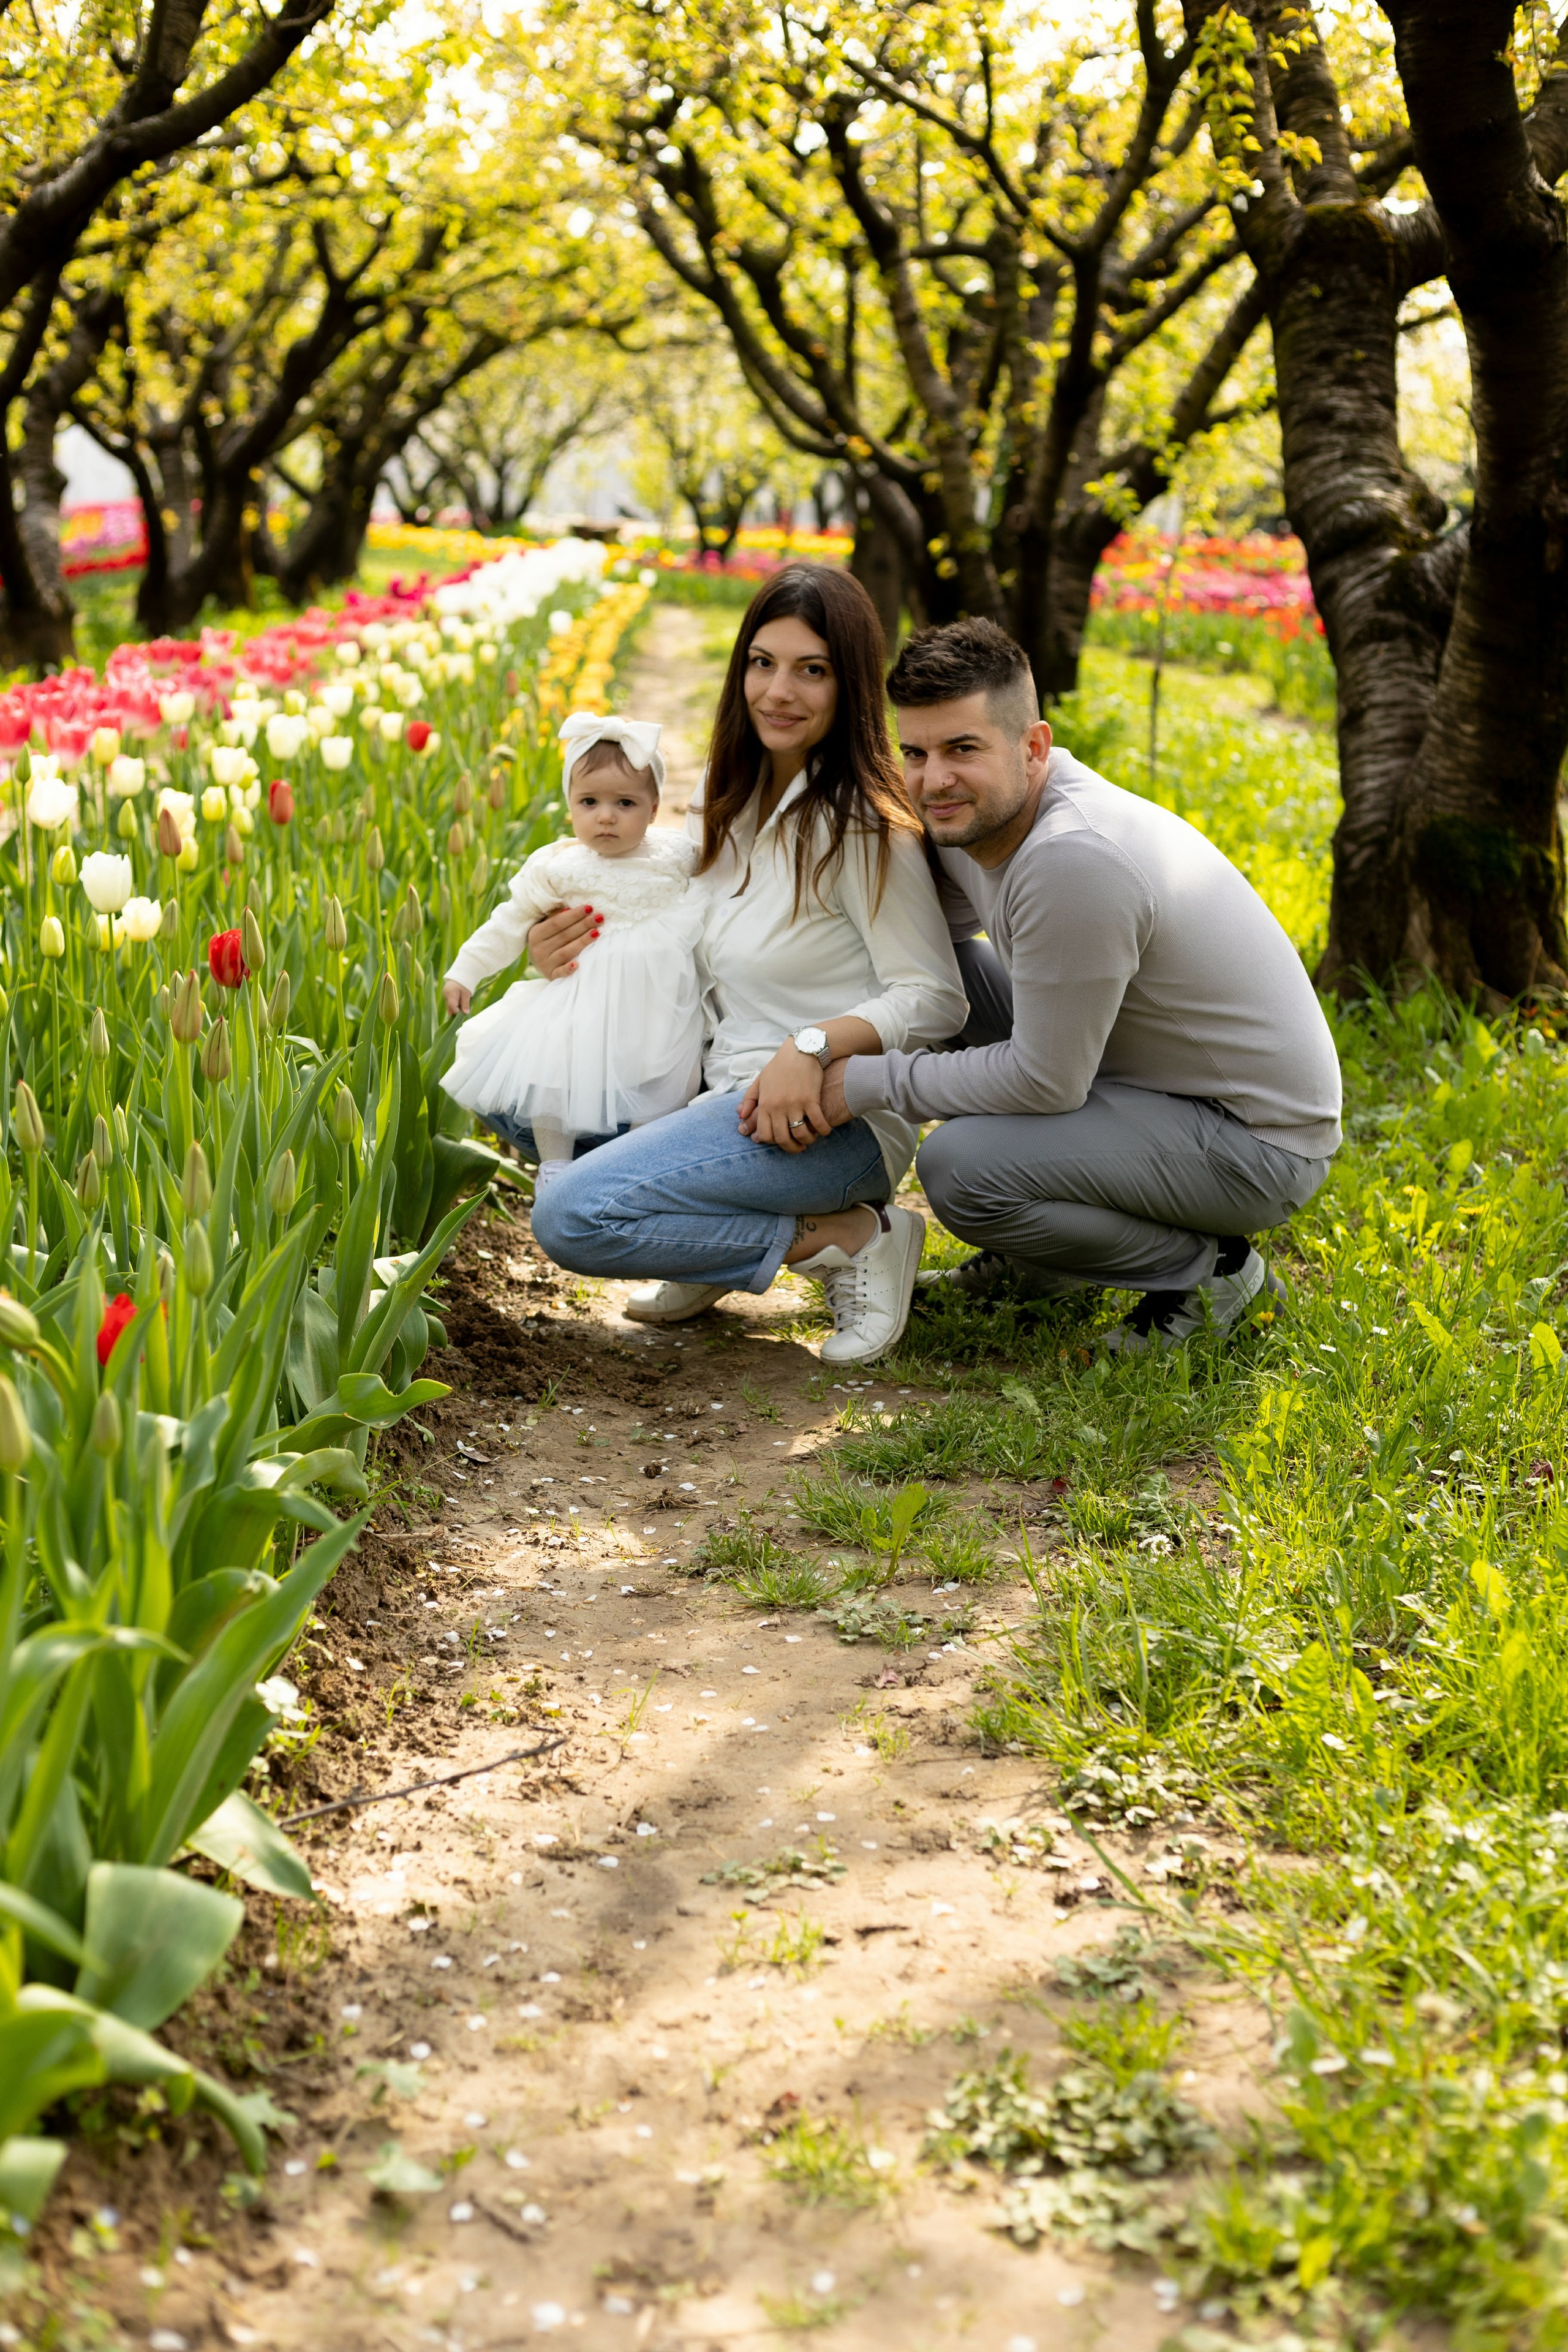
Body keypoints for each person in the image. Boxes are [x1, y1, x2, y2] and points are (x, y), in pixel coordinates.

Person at [813, 616, 1341, 1351]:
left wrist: (860, 1082)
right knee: (944, 968)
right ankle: (1047, 1255)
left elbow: (1043, 1085)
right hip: (1142, 1082)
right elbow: (887, 936)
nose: (933, 781)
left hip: (1254, 1141)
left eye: (962, 749)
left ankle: (1215, 1273)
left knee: (959, 1167)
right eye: (916, 751)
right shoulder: (974, 819)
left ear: (1033, 747)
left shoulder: (1073, 860)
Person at [525, 565, 968, 1363]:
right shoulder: (731, 812)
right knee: (522, 1088)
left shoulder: (867, 830)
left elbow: (935, 998)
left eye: (812, 670)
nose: (779, 690)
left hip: (829, 1124)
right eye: (763, 662)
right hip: (716, 1093)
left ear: (850, 687)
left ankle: (856, 1236)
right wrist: (561, 946)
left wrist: (815, 1045)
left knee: (570, 1220)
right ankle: (703, 1244)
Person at [440, 714, 704, 1193]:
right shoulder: (560, 866)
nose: (606, 816)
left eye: (625, 803)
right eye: (589, 802)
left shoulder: (676, 856)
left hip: (661, 1001)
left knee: (667, 1082)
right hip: (582, 996)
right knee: (554, 1071)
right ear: (569, 806)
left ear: (654, 808)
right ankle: (555, 1166)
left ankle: (636, 1170)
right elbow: (511, 919)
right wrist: (467, 970)